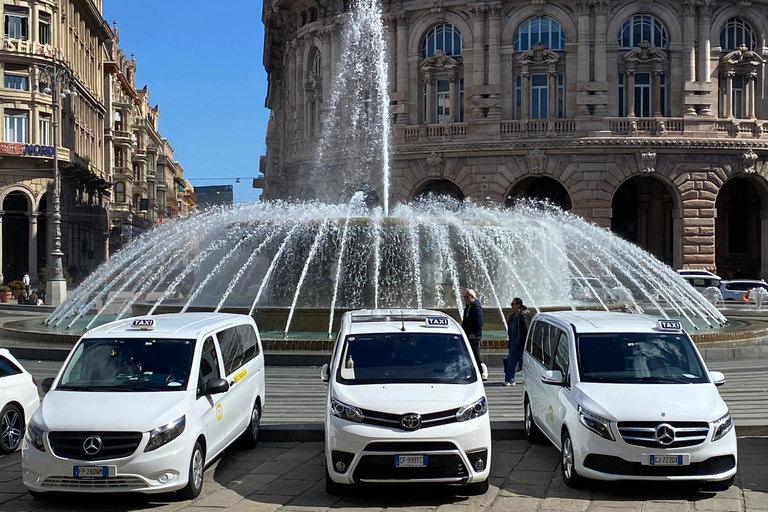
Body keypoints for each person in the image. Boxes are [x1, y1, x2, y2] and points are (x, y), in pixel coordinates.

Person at [504, 297, 531, 386]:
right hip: (513, 342)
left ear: (518, 305)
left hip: (519, 342)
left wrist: (525, 342)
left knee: (514, 362)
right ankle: (510, 379)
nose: (511, 306)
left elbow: (526, 329)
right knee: (512, 361)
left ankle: (510, 380)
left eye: (513, 304)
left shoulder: (522, 315)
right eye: (511, 304)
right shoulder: (512, 316)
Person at [461, 289, 483, 367]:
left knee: (476, 355)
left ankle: (480, 372)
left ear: (472, 297)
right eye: (464, 296)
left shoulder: (476, 307)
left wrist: (474, 333)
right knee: (470, 355)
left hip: (474, 336)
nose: (465, 298)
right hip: (467, 335)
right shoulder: (468, 307)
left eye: (466, 296)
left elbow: (479, 322)